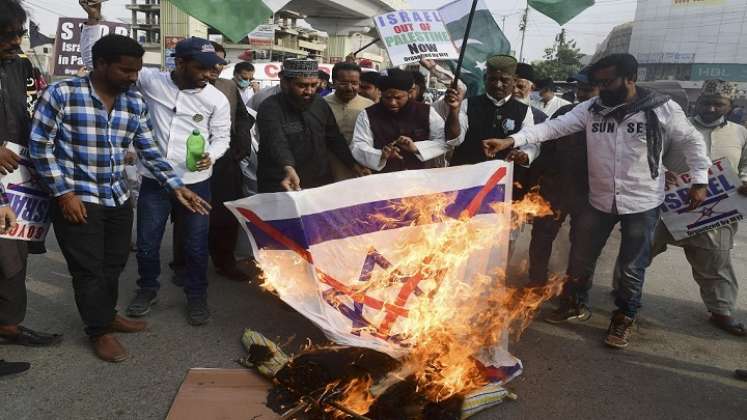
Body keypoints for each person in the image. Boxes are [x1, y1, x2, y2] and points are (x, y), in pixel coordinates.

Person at [483, 53, 712, 349]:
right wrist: (512, 140)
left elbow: (691, 141)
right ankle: (575, 303)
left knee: (631, 266)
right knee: (581, 257)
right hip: (600, 199)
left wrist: (700, 180)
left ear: (631, 78)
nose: (602, 88)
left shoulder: (661, 108)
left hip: (642, 201)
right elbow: (554, 127)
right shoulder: (593, 108)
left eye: (608, 81)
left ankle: (624, 316)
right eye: (599, 82)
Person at [29, 32, 209, 362]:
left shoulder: (133, 102)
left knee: (114, 263)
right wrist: (64, 193)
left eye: (137, 71)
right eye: (126, 71)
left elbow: (148, 150)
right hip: (78, 198)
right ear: (101, 64)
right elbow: (39, 147)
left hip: (117, 197)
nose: (133, 77)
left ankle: (107, 314)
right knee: (89, 269)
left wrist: (176, 184)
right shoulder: (62, 93)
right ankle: (98, 331)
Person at [80, 1, 231, 326]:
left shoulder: (216, 99)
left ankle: (196, 295)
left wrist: (212, 154)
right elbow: (95, 62)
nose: (208, 75)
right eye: (202, 67)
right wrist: (94, 21)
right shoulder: (150, 81)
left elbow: (222, 138)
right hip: (154, 181)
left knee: (194, 245)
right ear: (180, 62)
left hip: (196, 182)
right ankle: (147, 289)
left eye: (213, 68)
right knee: (147, 244)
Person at [650, 80, 747, 336]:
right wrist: (664, 172)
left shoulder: (740, 132)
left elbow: (746, 165)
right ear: (697, 102)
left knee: (717, 263)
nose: (712, 108)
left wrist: (745, 180)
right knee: (639, 251)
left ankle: (721, 312)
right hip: (669, 206)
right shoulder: (677, 127)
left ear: (730, 105)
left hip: (716, 210)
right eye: (707, 102)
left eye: (719, 104)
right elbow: (653, 154)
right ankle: (623, 293)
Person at [0, 0, 62, 359]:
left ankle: (8, 326)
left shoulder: (18, 66)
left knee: (14, 259)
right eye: (6, 34)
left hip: (18, 180)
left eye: (19, 33)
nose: (15, 41)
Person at [527, 69, 599, 287]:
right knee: (541, 237)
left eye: (589, 90)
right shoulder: (564, 113)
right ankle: (536, 282)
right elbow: (545, 149)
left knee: (582, 244)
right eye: (580, 90)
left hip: (588, 193)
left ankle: (574, 292)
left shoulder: (609, 120)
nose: (583, 95)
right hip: (555, 188)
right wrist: (535, 186)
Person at [256, 58, 362, 192]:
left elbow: (334, 137)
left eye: (313, 85)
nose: (309, 91)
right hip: (282, 181)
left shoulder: (320, 103)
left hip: (318, 182)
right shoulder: (270, 107)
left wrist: (353, 165)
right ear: (285, 83)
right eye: (301, 86)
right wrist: (288, 167)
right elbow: (276, 141)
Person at [442, 55, 538, 198]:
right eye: (493, 79)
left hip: (502, 186)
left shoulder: (524, 110)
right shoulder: (468, 104)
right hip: (466, 181)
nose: (498, 84)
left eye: (504, 80)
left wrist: (524, 155)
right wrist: (454, 111)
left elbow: (531, 143)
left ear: (514, 81)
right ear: (485, 79)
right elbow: (455, 139)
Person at [351, 68, 452, 172]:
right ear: (381, 93)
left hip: (419, 177)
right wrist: (381, 155)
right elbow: (358, 145)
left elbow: (444, 140)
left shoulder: (426, 111)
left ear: (409, 93)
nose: (392, 102)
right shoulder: (368, 114)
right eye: (387, 97)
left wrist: (416, 147)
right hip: (383, 179)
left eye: (398, 97)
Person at [324, 62, 374, 180]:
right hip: (329, 168)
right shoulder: (321, 104)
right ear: (333, 82)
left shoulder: (370, 106)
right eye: (344, 83)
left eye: (354, 83)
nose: (350, 88)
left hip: (361, 168)